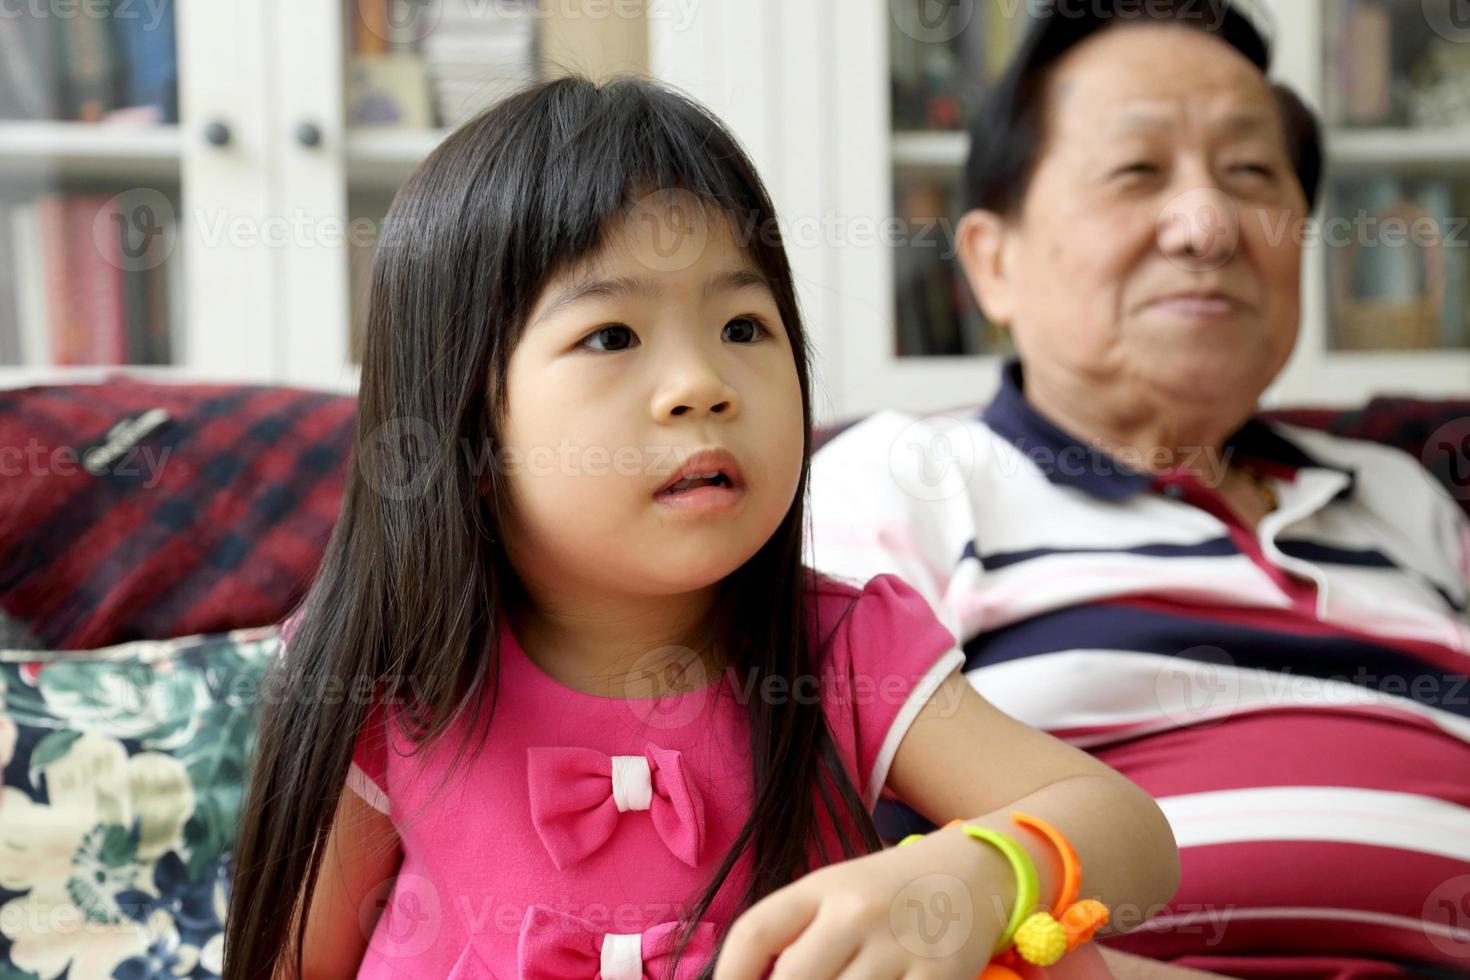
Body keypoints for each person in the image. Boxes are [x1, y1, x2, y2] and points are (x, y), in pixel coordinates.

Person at [221, 76, 1181, 980]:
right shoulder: (390, 680)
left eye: (743, 328)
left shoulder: (842, 650)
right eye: (611, 337)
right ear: (463, 422)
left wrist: (978, 873)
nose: (702, 387)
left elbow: (1131, 837)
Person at [807, 2, 1470, 977]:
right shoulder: (909, 476)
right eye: (1136, 172)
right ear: (994, 261)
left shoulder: (1406, 498)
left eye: (1250, 174)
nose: (1207, 225)